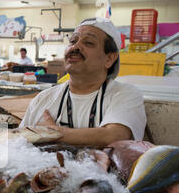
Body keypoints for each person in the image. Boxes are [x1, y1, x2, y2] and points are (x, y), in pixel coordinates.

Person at [20, 17, 146, 146]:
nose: (76, 47)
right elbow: (19, 141)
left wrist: (53, 133)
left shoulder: (124, 94)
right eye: (73, 41)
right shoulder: (43, 99)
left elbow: (115, 136)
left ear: (109, 58)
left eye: (89, 43)